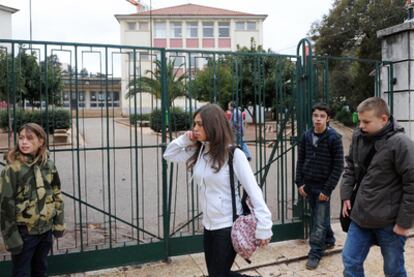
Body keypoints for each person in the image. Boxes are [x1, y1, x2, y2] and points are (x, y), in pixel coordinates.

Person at [163, 103, 272, 277]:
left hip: (227, 226)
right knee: (216, 273)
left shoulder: (234, 155)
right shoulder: (200, 151)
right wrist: (186, 139)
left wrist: (265, 225)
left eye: (200, 124)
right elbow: (169, 154)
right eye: (194, 124)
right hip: (208, 225)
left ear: (213, 125)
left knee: (218, 274)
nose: (195, 128)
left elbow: (253, 190)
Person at [340, 97, 414, 277]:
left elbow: (412, 185)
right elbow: (350, 167)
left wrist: (404, 223)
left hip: (389, 222)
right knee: (350, 261)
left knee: (393, 269)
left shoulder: (401, 144)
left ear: (383, 119)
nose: (361, 126)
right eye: (360, 121)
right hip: (360, 216)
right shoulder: (358, 136)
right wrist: (346, 195)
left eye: (366, 121)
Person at [0, 123, 65, 277]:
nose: (24, 142)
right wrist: (12, 238)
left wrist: (59, 223)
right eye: (21, 138)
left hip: (45, 230)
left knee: (40, 269)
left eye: (29, 138)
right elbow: (5, 207)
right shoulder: (12, 169)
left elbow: (57, 193)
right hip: (24, 232)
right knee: (21, 272)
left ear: (41, 141)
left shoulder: (48, 165)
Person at [295, 102, 344, 270]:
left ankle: (315, 253)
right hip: (308, 185)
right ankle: (329, 239)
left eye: (322, 116)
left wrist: (327, 189)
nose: (318, 119)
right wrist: (299, 182)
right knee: (319, 216)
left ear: (328, 118)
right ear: (312, 117)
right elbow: (300, 160)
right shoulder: (306, 136)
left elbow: (338, 166)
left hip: (323, 187)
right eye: (315, 115)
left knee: (319, 222)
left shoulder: (334, 138)